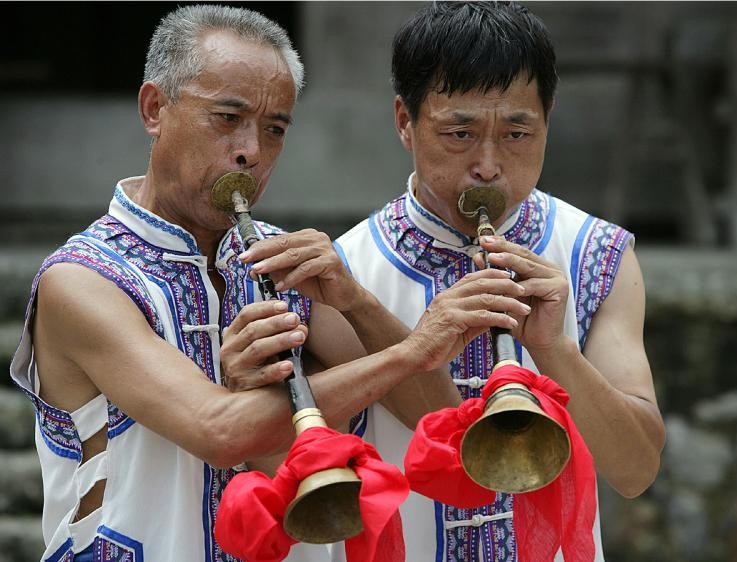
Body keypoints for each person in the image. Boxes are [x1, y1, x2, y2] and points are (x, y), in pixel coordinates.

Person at [9, 5, 525, 561]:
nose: (251, 152)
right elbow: (218, 429)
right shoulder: (82, 279)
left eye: (274, 129)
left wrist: (354, 301)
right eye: (227, 118)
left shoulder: (279, 260)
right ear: (154, 108)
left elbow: (431, 417)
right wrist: (416, 348)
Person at [331, 2, 667, 561]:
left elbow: (635, 471)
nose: (488, 165)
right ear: (403, 121)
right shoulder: (348, 275)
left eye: (516, 133)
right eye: (459, 133)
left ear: (548, 120)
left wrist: (554, 349)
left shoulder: (596, 254)